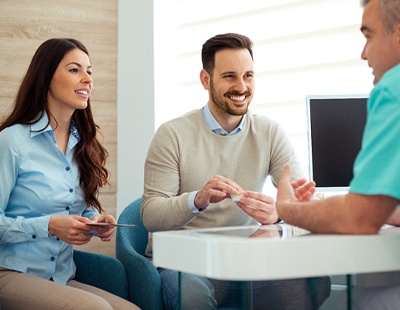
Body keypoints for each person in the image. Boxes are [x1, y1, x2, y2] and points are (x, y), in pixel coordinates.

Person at [141, 33, 330, 309]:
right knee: (194, 296)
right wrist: (197, 200)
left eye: (248, 75)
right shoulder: (172, 135)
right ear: (206, 80)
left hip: (245, 262)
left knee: (313, 281)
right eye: (230, 76)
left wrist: (279, 212)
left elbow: (303, 198)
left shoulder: (269, 132)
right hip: (186, 262)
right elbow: (150, 215)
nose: (241, 86)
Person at [276, 0, 400, 308]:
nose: (363, 53)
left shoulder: (393, 90)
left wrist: (287, 208)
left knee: (361, 300)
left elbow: (358, 221)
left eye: (368, 35)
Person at [0, 38, 139, 310]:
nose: (87, 79)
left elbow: (79, 208)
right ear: (47, 77)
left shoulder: (85, 146)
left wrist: (94, 221)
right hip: (10, 272)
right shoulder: (11, 142)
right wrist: (50, 225)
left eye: (89, 71)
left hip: (60, 277)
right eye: (75, 70)